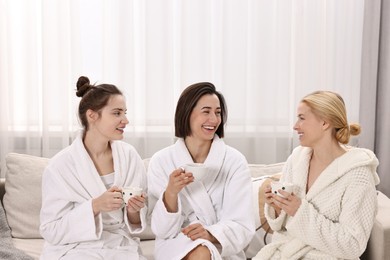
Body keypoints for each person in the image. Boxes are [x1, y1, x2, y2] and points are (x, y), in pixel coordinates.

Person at [255, 91, 380, 260]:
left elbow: (353, 244)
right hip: (285, 253)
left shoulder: (358, 174)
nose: (295, 126)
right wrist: (278, 208)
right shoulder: (297, 159)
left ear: (324, 123)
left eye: (302, 118)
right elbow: (282, 227)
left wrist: (300, 211)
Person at [39, 76, 148, 260]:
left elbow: (136, 222)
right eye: (117, 113)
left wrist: (133, 210)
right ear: (92, 116)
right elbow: (51, 230)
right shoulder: (60, 166)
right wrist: (95, 206)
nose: (126, 120)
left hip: (119, 246)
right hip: (75, 248)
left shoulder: (129, 156)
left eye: (125, 113)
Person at [147, 82, 255, 260]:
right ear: (187, 113)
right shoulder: (161, 161)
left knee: (203, 251)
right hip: (174, 243)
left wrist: (210, 233)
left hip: (220, 244)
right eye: (206, 111)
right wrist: (171, 193)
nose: (214, 119)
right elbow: (162, 230)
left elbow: (242, 224)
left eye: (218, 112)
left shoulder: (234, 161)